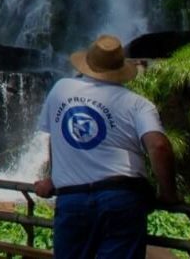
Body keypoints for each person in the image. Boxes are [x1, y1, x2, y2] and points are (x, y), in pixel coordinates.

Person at [33, 35, 179, 259]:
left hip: (72, 200)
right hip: (121, 199)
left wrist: (54, 177)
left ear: (88, 64)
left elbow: (56, 135)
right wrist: (168, 194)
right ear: (120, 69)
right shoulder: (138, 104)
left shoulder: (60, 90)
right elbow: (158, 146)